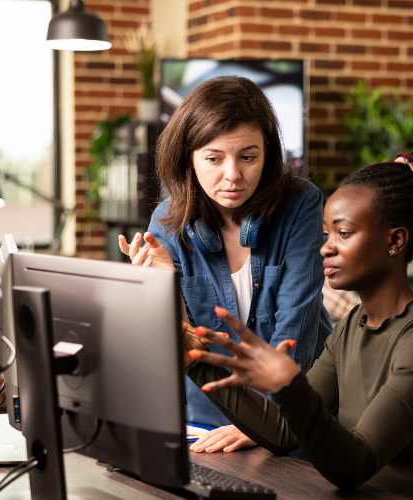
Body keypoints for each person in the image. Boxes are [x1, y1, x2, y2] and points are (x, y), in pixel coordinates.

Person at [184, 151, 413, 499]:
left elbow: (356, 465)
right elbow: (283, 430)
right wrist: (196, 360)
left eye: (343, 233)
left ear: (395, 241)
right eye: (326, 234)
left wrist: (289, 385)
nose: (326, 248)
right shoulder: (350, 328)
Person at [118, 76, 332, 446]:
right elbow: (179, 351)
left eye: (248, 157)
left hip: (290, 421)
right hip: (204, 426)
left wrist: (264, 425)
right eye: (214, 159)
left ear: (268, 153)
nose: (232, 175)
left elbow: (295, 332)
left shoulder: (301, 204)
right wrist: (162, 289)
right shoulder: (166, 224)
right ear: (189, 157)